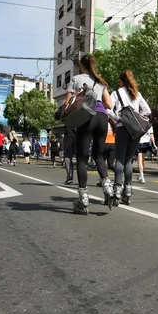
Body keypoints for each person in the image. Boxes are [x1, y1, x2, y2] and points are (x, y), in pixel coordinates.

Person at [62, 54, 114, 214]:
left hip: (87, 116)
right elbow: (109, 104)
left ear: (81, 65)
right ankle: (107, 186)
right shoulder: (100, 81)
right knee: (98, 155)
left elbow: (67, 103)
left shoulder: (76, 79)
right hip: (102, 118)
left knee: (82, 158)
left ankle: (83, 197)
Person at [110, 69, 151, 205]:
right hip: (135, 130)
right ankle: (127, 191)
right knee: (128, 161)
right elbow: (147, 111)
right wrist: (137, 117)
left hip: (122, 128)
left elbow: (108, 108)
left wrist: (118, 117)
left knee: (120, 160)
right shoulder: (136, 93)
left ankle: (117, 189)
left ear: (121, 81)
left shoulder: (116, 93)